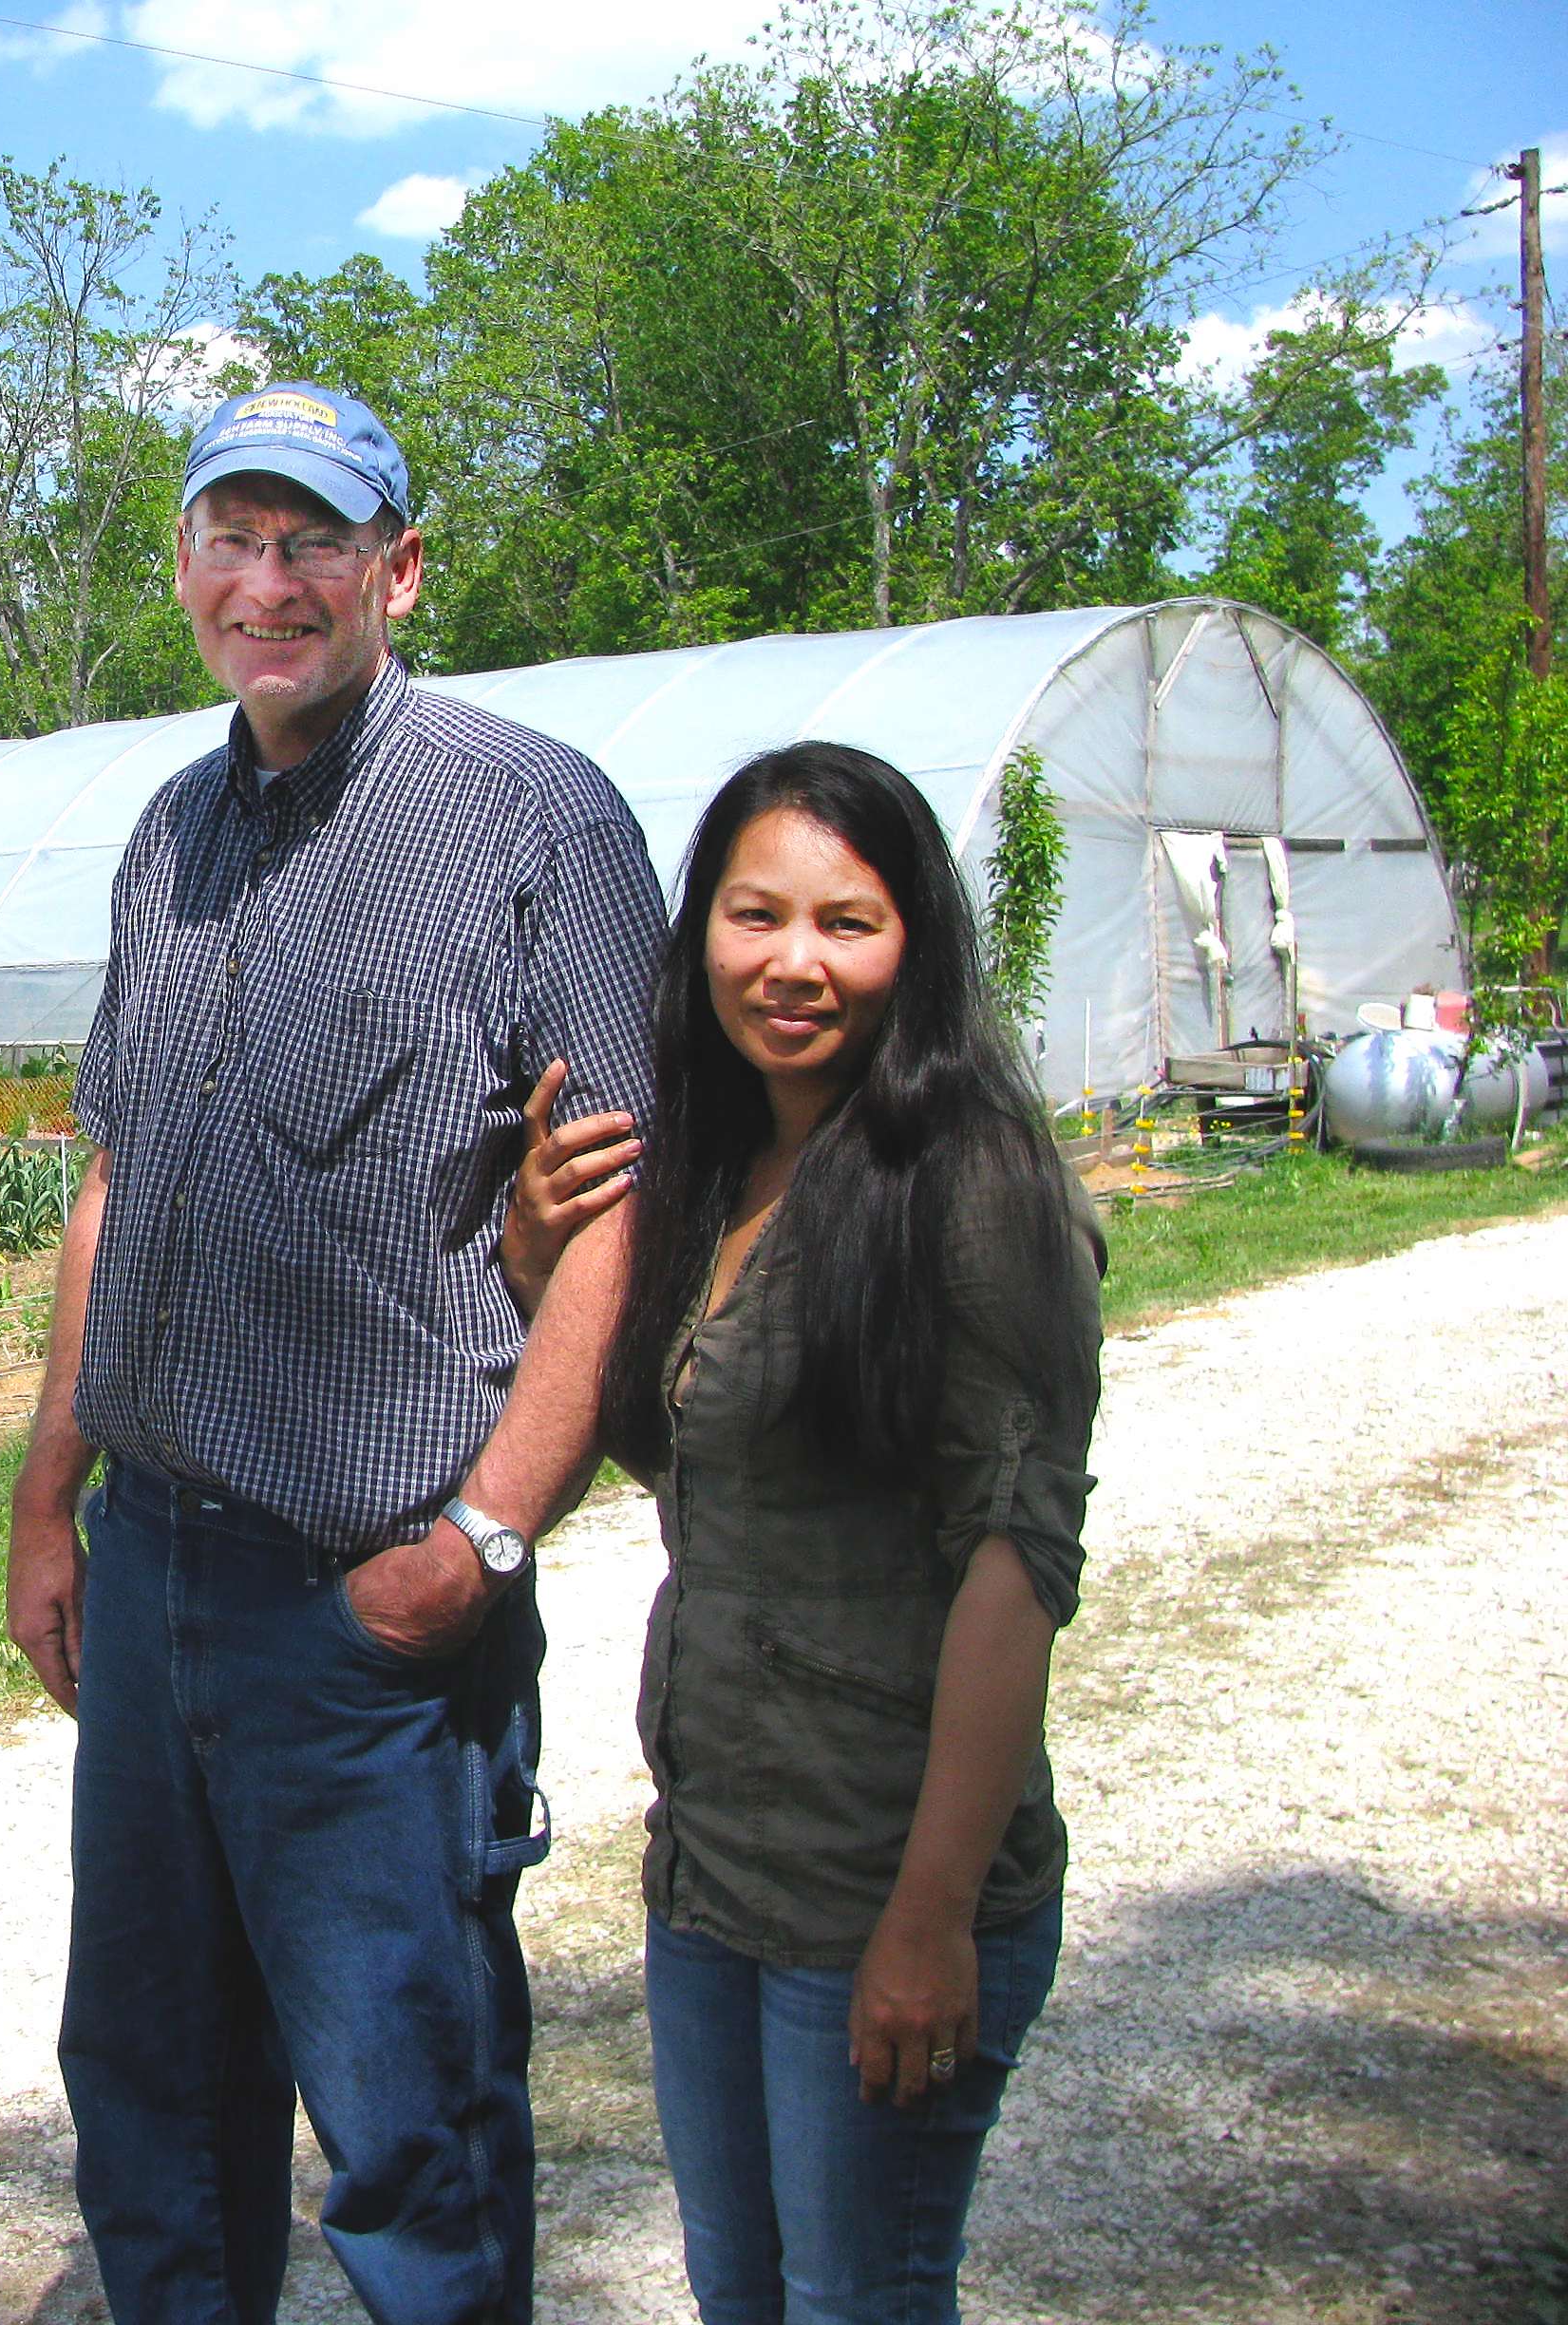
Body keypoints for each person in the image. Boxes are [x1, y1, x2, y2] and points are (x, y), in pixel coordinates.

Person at [5, 380, 666, 2325]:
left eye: (312, 543)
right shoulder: (170, 832)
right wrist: (51, 1500)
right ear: (187, 569)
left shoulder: (527, 814)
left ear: (399, 568)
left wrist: (489, 1538)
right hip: (159, 1567)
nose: (267, 583)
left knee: (409, 2120)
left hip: (368, 1608)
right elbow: (116, 1179)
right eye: (233, 539)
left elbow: (620, 1200)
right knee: (145, 2080)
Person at [501, 742, 1105, 2325]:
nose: (792, 963)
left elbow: (1014, 1562)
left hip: (878, 1885)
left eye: (849, 922)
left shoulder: (972, 1185)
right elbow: (688, 1457)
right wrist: (532, 1263)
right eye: (755, 916)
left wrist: (929, 1917)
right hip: (714, 1872)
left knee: (859, 2300)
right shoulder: (723, 1168)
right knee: (742, 2294)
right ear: (699, 929)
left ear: (920, 945)